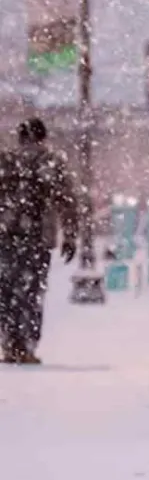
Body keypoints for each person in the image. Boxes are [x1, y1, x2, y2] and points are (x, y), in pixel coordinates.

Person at [0, 118, 78, 364]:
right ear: (42, 137)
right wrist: (70, 235)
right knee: (31, 292)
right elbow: (66, 200)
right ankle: (27, 345)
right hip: (37, 238)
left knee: (6, 292)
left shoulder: (5, 160)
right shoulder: (51, 161)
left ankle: (9, 343)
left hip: (4, 235)